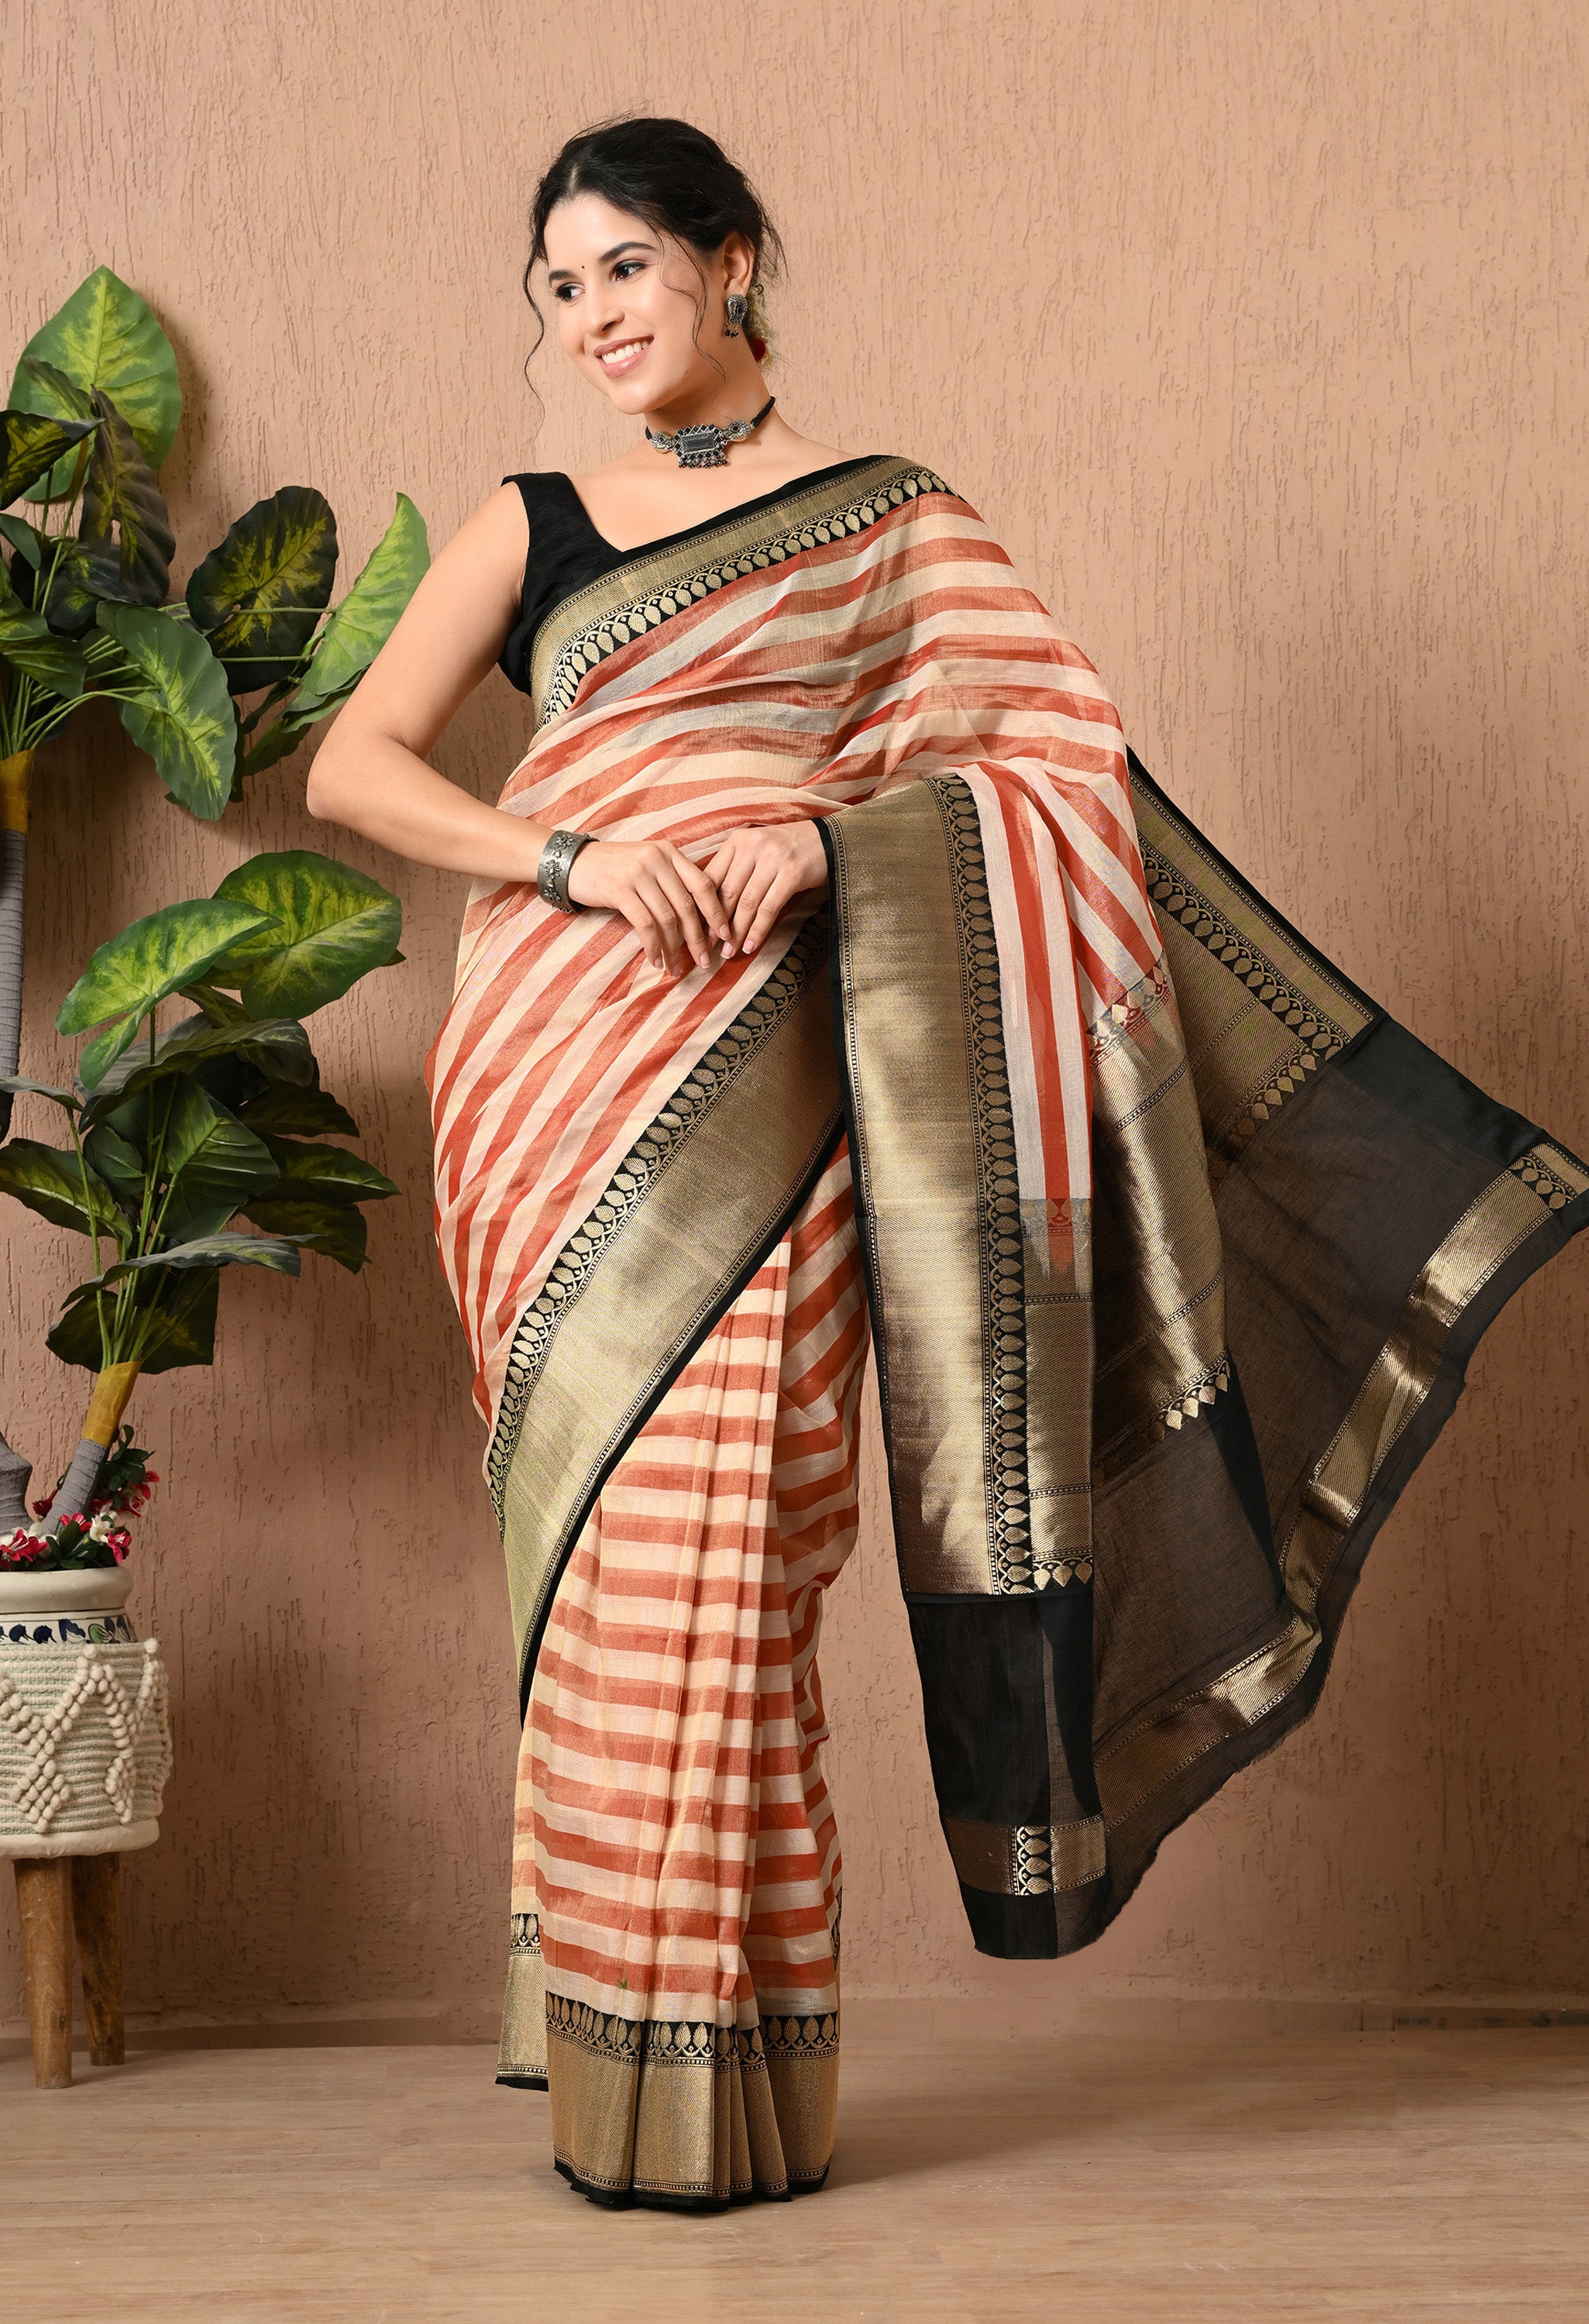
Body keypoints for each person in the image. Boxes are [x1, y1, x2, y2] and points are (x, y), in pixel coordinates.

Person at [306, 115, 1589, 2214]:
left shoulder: (892, 524)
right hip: (551, 1068)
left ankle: (712, 2093)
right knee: (613, 1551)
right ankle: (620, 2054)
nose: (592, 317)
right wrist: (575, 848)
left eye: (626, 266)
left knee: (731, 1537)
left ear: (732, 264)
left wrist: (811, 843)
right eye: (557, 285)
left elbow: (1050, 775)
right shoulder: (529, 518)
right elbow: (352, 764)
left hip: (788, 1077)